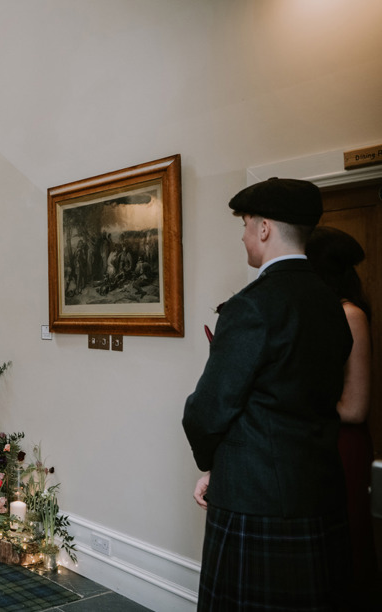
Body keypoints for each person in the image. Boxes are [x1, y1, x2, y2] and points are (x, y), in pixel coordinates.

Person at [182, 178, 353, 609]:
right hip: (319, 492)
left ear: (264, 228)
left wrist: (213, 465)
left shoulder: (251, 305)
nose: (242, 235)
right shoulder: (332, 304)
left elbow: (208, 409)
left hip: (255, 500)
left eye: (244, 224)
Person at [307, 226, 377, 604]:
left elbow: (354, 407)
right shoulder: (317, 312)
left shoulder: (351, 315)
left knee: (347, 543)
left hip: (344, 447)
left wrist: (296, 398)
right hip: (318, 441)